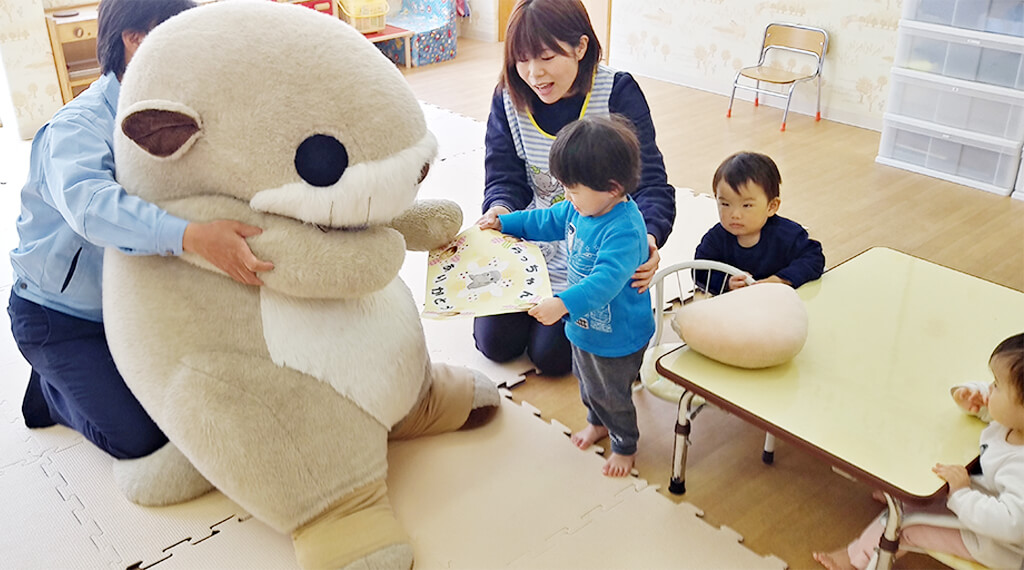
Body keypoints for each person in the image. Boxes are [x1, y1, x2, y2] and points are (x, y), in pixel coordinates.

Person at [8, 0, 274, 463]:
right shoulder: (79, 125)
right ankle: (50, 394)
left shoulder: (169, 111)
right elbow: (91, 208)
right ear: (134, 39)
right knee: (146, 439)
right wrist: (193, 235)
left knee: (214, 396)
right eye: (175, 33)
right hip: (58, 318)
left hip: (133, 302)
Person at [474, 0, 675, 377]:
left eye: (547, 56)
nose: (534, 73)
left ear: (581, 47)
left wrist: (647, 237)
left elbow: (651, 184)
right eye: (522, 60)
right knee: (495, 343)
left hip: (596, 259)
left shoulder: (615, 92)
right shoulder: (508, 97)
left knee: (551, 358)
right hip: (538, 243)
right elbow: (503, 174)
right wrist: (500, 211)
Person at [479, 115, 654, 477]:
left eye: (573, 190)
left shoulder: (624, 230)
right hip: (585, 326)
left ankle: (625, 443)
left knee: (612, 393)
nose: (568, 198)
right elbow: (543, 222)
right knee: (587, 381)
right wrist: (505, 222)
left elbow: (604, 282)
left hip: (618, 334)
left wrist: (562, 305)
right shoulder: (582, 206)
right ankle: (597, 422)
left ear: (613, 188)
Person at [813, 333, 1024, 570]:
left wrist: (962, 494)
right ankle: (903, 497)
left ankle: (854, 560)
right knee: (927, 467)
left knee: (904, 524)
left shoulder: (1019, 467)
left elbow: (1011, 524)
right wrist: (974, 398)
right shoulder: (1014, 423)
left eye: (996, 385)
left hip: (996, 544)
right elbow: (999, 413)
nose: (989, 388)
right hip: (983, 500)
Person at [694, 151, 824, 293]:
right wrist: (726, 282)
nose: (735, 215)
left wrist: (780, 280)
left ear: (771, 206)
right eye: (725, 204)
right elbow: (700, 271)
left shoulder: (787, 234)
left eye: (746, 206)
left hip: (779, 302)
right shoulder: (716, 239)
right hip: (734, 307)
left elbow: (814, 258)